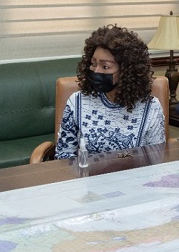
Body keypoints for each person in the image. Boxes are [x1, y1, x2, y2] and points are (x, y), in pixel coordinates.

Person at [55, 25, 166, 159]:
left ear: (126, 71)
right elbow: (63, 155)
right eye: (93, 63)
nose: (96, 71)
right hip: (88, 177)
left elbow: (156, 158)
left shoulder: (151, 108)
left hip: (134, 177)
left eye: (105, 66)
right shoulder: (77, 101)